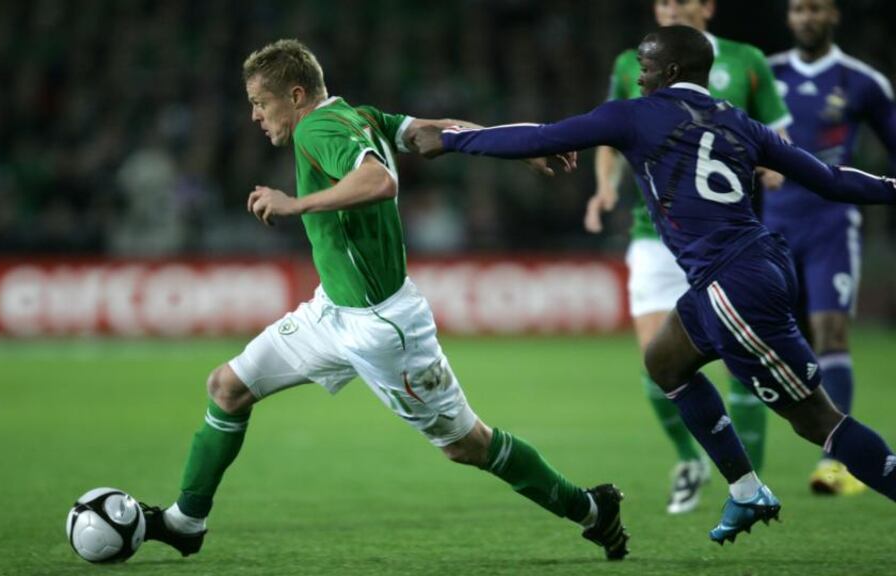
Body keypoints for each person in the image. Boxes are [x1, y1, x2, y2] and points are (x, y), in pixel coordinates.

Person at [138, 39, 629, 561]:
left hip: (382, 328)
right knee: (229, 386)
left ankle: (593, 510)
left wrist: (295, 204)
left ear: (296, 94)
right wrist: (523, 142)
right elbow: (432, 133)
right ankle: (186, 522)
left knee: (467, 445)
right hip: (332, 312)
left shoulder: (317, 128)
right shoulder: (358, 115)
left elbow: (380, 180)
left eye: (260, 102)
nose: (255, 115)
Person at [416, 25, 896, 545]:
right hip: (738, 271)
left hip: (734, 285)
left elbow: (539, 136)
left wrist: (452, 139)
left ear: (669, 72)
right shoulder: (742, 124)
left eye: (644, 69)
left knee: (815, 420)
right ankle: (745, 490)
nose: (638, 78)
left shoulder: (635, 115)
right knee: (665, 360)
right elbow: (831, 180)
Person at [587, 0, 792, 515]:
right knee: (658, 361)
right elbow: (608, 134)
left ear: (706, 7)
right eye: (662, 2)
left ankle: (750, 481)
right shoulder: (632, 63)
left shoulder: (746, 61)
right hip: (654, 232)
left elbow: (776, 131)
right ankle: (689, 460)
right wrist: (604, 188)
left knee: (747, 362)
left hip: (726, 238)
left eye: (681, 0)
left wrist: (773, 162)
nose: (670, 8)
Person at [764, 0, 896, 496]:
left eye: (816, 9)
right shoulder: (766, 74)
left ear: (833, 15)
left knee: (831, 331)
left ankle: (835, 466)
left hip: (831, 225)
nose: (806, 18)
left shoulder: (863, 82)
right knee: (768, 343)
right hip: (771, 227)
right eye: (798, 9)